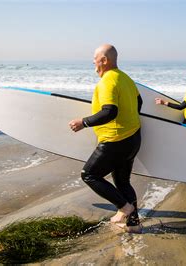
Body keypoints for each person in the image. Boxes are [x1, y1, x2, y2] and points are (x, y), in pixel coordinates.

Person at [68, 44, 142, 233]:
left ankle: (125, 208)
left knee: (89, 175)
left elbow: (110, 111)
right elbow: (139, 102)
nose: (93, 61)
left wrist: (83, 122)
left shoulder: (107, 81)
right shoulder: (126, 78)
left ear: (104, 60)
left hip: (115, 141)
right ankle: (134, 224)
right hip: (133, 138)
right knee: (123, 182)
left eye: (95, 57)